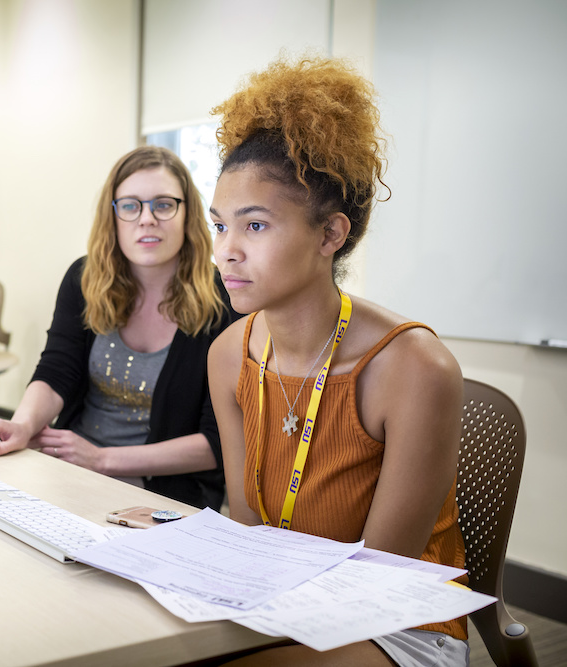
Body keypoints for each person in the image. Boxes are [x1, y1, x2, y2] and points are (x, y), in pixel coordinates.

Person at [206, 55, 467, 666]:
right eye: (219, 227)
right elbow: (248, 528)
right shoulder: (228, 354)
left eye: (255, 226)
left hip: (395, 622)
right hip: (276, 603)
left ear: (330, 235)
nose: (227, 252)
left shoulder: (414, 368)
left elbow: (377, 578)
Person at [0, 145, 241, 510]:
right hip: (72, 469)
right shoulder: (84, 279)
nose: (147, 219)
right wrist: (23, 426)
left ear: (187, 214)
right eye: (131, 206)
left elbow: (218, 442)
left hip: (163, 493)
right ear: (114, 216)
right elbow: (56, 370)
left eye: (163, 205)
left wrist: (102, 459)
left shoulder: (225, 300)